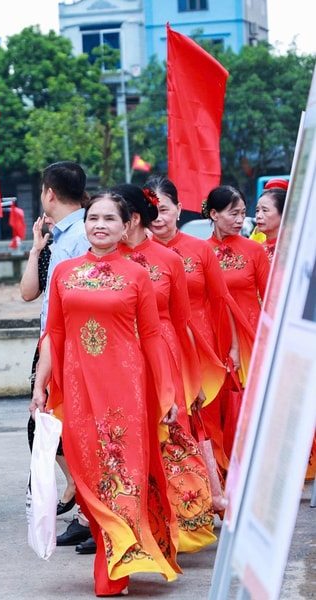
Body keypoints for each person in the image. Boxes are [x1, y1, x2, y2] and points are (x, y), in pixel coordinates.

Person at [31, 191, 180, 597]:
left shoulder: (136, 275)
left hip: (125, 386)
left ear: (125, 225)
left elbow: (151, 337)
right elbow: (55, 334)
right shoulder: (64, 272)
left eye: (109, 219)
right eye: (93, 217)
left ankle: (114, 566)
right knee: (88, 474)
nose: (99, 224)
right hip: (77, 386)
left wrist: (167, 393)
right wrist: (41, 384)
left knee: (124, 471)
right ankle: (115, 550)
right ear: (85, 224)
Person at [114, 183, 218, 553]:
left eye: (113, 216)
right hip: (120, 358)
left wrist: (191, 381)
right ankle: (132, 529)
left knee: (170, 439)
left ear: (134, 219)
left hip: (164, 354)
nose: (104, 224)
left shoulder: (169, 260)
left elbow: (181, 322)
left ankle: (182, 528)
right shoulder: (105, 262)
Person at [144, 176, 252, 473]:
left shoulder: (201, 250)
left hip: (203, 347)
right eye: (152, 209)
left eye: (164, 209)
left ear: (179, 209)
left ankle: (213, 492)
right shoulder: (135, 256)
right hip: (159, 348)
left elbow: (222, 300)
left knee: (205, 422)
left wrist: (230, 348)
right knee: (167, 421)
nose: (158, 217)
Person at [29, 162, 91, 547]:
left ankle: (85, 510)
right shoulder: (58, 236)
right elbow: (33, 294)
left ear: (49, 192)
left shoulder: (81, 234)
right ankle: (79, 498)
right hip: (52, 341)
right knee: (48, 428)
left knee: (69, 430)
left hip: (73, 346)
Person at [203, 185, 270, 464]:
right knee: (218, 406)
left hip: (252, 338)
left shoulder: (255, 251)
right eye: (233, 213)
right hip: (215, 339)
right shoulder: (201, 251)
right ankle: (225, 466)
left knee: (251, 405)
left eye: (243, 213)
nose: (240, 219)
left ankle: (255, 464)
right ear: (214, 214)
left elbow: (270, 299)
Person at [254, 184, 286, 264]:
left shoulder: (293, 249)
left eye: (265, 210)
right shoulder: (256, 249)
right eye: (257, 210)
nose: (259, 216)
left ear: (283, 213)